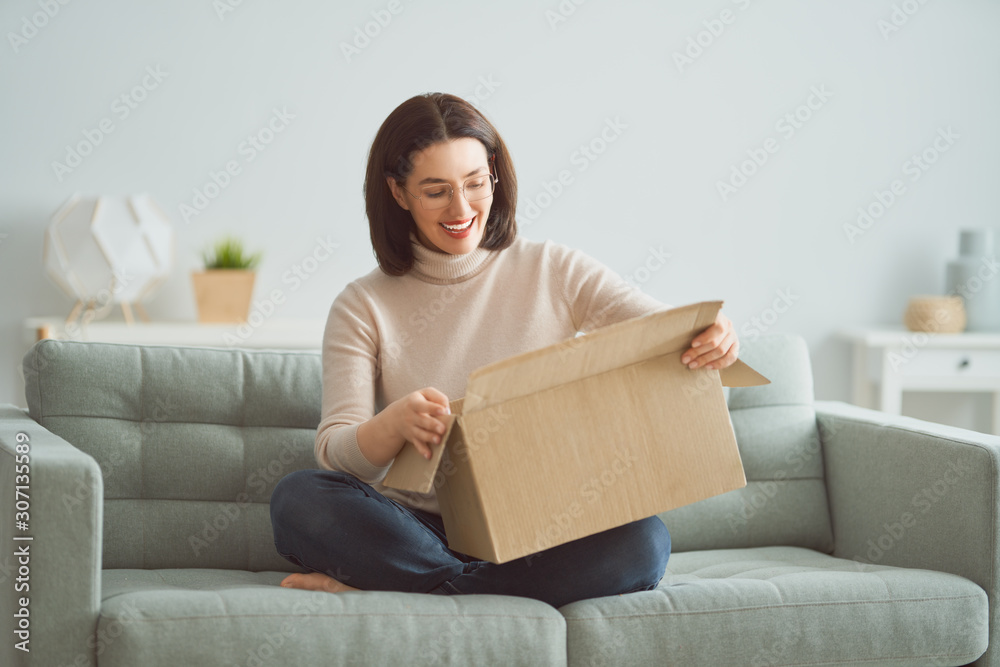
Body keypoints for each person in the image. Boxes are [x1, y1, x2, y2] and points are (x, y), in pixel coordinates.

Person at [269, 93, 740, 608]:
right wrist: (393, 425)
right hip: (414, 529)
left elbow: (664, 330)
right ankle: (464, 586)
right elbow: (336, 452)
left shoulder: (553, 269)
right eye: (436, 192)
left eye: (475, 183)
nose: (463, 209)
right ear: (398, 192)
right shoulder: (362, 305)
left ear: (494, 172)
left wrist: (713, 331)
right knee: (299, 499)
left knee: (644, 540)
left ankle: (416, 589)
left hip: (542, 529)